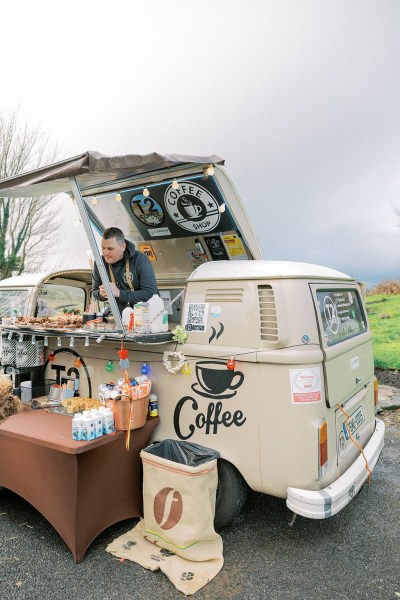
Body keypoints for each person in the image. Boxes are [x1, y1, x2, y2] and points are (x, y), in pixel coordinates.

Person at [92, 227, 158, 314]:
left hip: (145, 317)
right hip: (120, 319)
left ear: (123, 246)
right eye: (103, 248)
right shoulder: (99, 263)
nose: (105, 253)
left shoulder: (140, 259)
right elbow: (95, 291)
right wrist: (102, 294)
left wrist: (119, 293)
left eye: (110, 249)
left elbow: (151, 293)